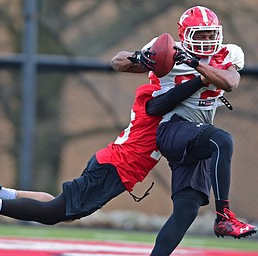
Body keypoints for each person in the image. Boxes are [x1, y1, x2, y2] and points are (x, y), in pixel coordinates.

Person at [0, 71, 207, 226]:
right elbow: (171, 98)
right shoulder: (155, 97)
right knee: (53, 214)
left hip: (111, 164)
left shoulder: (163, 98)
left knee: (58, 205)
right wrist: (201, 78)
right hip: (115, 168)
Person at [110, 5, 257, 255]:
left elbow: (231, 82)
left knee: (186, 210)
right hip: (172, 129)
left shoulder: (229, 53)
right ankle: (224, 215)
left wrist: (195, 64)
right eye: (200, 35)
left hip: (199, 135)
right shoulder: (169, 50)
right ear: (185, 34)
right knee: (223, 140)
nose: (207, 40)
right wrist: (139, 57)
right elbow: (117, 62)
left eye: (211, 34)